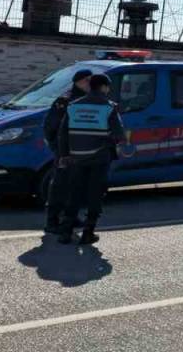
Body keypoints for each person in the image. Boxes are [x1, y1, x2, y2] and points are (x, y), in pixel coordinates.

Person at [56, 73, 125, 245]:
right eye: (108, 87)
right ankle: (88, 233)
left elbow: (63, 134)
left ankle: (65, 232)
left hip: (76, 158)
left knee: (74, 193)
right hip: (99, 158)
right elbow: (119, 135)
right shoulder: (109, 107)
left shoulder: (73, 106)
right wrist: (107, 140)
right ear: (103, 87)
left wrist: (64, 155)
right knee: (95, 194)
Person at [42, 69, 91, 235]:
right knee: (60, 186)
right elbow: (51, 127)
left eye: (91, 80)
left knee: (76, 186)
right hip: (65, 151)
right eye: (86, 80)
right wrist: (58, 149)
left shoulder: (88, 99)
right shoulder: (65, 100)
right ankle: (52, 221)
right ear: (78, 81)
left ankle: (71, 216)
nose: (89, 83)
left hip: (81, 151)